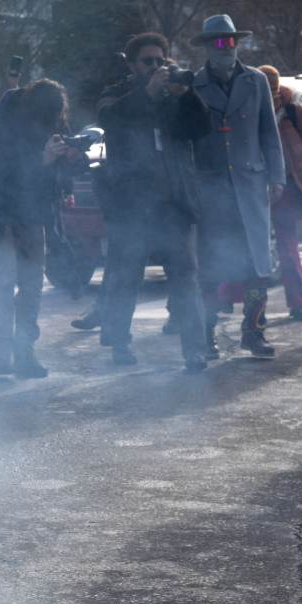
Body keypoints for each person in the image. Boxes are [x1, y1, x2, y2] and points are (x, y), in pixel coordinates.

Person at [97, 38, 212, 371]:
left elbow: (202, 128)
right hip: (132, 204)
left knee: (186, 276)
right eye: (147, 61)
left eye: (160, 60)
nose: (155, 67)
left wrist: (187, 95)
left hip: (173, 202)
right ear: (132, 65)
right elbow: (108, 117)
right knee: (125, 275)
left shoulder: (171, 94)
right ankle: (119, 342)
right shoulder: (118, 93)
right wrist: (146, 93)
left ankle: (195, 350)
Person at [185, 15, 286, 358]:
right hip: (211, 188)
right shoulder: (193, 85)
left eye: (230, 41)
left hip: (250, 186)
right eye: (217, 42)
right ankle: (205, 335)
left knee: (257, 265)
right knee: (210, 266)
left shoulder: (256, 80)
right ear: (206, 47)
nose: (225, 48)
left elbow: (269, 134)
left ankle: (254, 334)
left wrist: (277, 177)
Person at [0, 78, 81, 377]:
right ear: (34, 111)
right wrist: (41, 158)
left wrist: (70, 158)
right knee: (5, 277)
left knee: (32, 281)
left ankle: (25, 353)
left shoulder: (52, 118)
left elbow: (54, 169)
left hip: (30, 210)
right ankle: (0, 354)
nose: (53, 124)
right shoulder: (0, 120)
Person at [260, 65, 302, 322]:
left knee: (288, 246)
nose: (270, 94)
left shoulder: (294, 111)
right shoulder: (247, 109)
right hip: (255, 187)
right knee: (245, 245)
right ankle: (228, 298)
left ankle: (299, 302)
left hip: (285, 188)